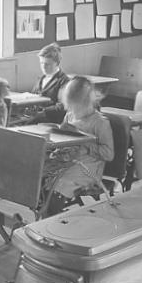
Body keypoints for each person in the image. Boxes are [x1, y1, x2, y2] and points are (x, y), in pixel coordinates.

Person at [42, 77, 115, 215]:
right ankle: (43, 213)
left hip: (89, 167)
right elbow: (64, 138)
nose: (72, 109)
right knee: (41, 175)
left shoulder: (100, 123)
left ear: (86, 102)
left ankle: (52, 220)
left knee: (59, 184)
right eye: (70, 105)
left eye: (75, 105)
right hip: (69, 161)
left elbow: (109, 154)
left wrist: (85, 142)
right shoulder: (70, 115)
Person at [11, 43, 71, 125]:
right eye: (41, 63)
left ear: (57, 63)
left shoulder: (63, 81)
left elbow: (62, 107)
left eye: (47, 64)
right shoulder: (41, 79)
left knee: (21, 126)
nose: (44, 67)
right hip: (36, 116)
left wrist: (43, 112)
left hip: (50, 119)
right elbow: (32, 98)